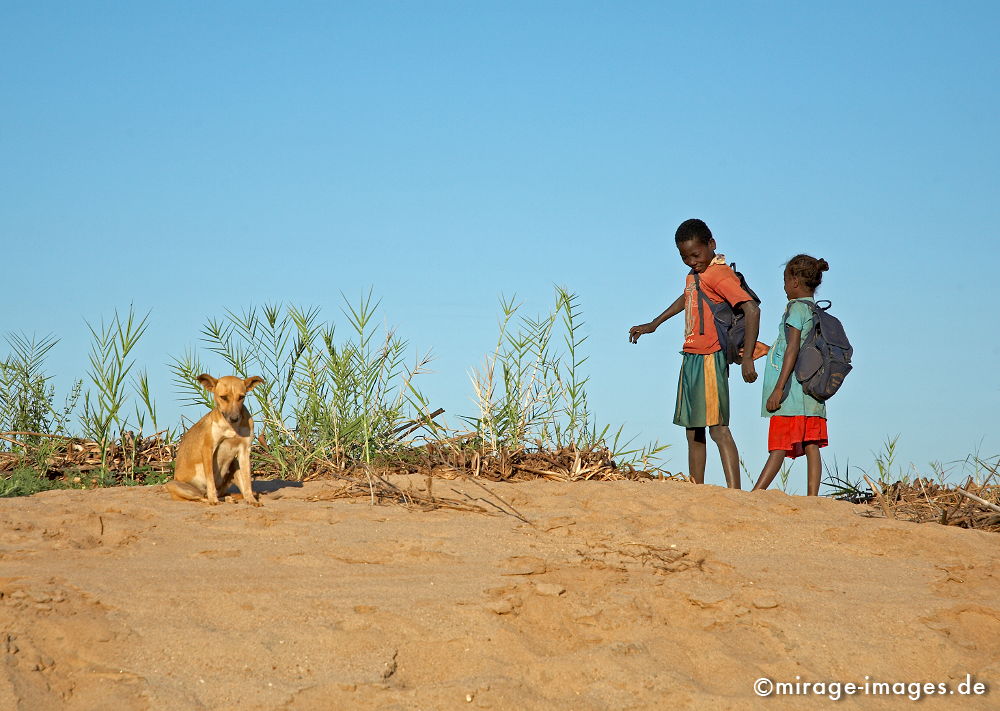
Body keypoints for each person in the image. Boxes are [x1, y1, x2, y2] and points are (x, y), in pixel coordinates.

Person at [629, 218, 761, 488]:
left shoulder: (719, 273)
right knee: (693, 430)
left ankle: (735, 494)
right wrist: (654, 323)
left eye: (696, 255)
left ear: (712, 244)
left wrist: (747, 357)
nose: (691, 261)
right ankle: (696, 489)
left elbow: (752, 309)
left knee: (718, 429)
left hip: (710, 357)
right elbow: (688, 296)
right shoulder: (695, 275)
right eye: (685, 257)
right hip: (691, 356)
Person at [752, 255, 830, 496]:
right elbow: (797, 348)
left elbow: (793, 349)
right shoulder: (814, 310)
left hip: (791, 395)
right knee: (811, 444)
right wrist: (769, 350)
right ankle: (812, 498)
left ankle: (756, 494)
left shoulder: (795, 309)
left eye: (785, 280)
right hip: (811, 394)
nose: (784, 286)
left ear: (795, 281)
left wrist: (778, 389)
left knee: (778, 445)